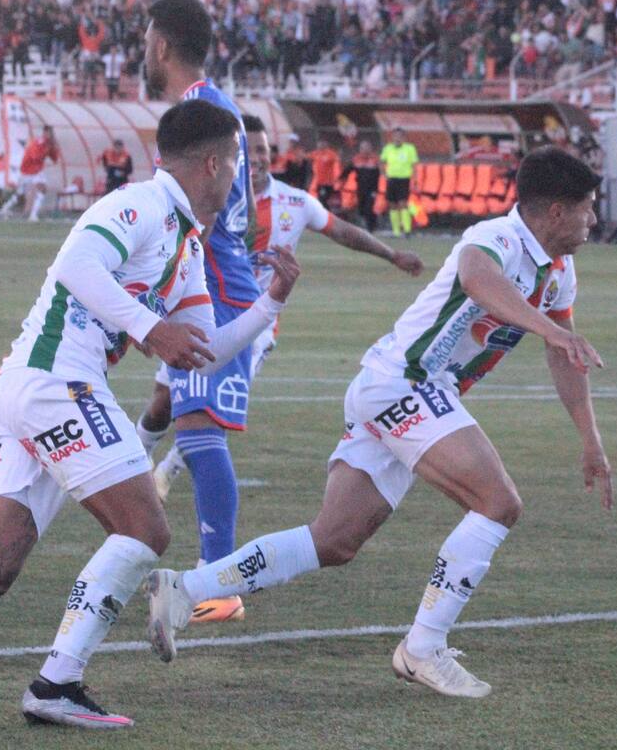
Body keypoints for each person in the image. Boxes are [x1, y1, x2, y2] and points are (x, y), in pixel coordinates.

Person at [145, 146, 612, 700]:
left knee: (334, 539)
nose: (593, 220)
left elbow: (565, 357)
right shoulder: (498, 240)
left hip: (394, 388)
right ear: (556, 211)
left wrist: (590, 440)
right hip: (405, 383)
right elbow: (477, 276)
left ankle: (183, 590)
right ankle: (422, 647)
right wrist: (550, 330)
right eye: (587, 208)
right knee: (498, 502)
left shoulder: (560, 272)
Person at [0, 98, 300, 728]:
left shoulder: (188, 246)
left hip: (26, 388)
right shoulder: (140, 204)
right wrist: (149, 328)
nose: (240, 181)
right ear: (211, 164)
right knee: (146, 527)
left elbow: (201, 349)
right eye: (237, 165)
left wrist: (268, 307)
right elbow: (75, 265)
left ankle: (56, 686)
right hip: (56, 381)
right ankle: (57, 684)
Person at [150, 115, 424, 496]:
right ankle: (137, 457)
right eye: (250, 150)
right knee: (162, 402)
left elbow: (342, 231)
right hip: (201, 314)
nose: (257, 157)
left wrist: (392, 254)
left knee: (210, 414)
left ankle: (164, 475)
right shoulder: (212, 201)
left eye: (263, 149)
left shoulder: (294, 201)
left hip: (255, 328)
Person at [131, 0, 264, 624]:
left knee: (201, 433)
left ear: (161, 45)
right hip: (216, 278)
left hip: (211, 284)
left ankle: (219, 588)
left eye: (145, 40)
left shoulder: (197, 113)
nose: (143, 51)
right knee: (187, 422)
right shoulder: (217, 107)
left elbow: (197, 215)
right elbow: (250, 209)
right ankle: (212, 582)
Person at [1, 126, 59, 222]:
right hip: (27, 170)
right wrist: (47, 149)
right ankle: (5, 208)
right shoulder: (39, 142)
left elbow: (55, 159)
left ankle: (33, 215)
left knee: (42, 189)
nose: (50, 135)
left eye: (51, 133)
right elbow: (34, 156)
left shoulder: (48, 144)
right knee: (20, 193)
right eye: (48, 133)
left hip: (37, 171)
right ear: (44, 133)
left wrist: (54, 147)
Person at [381, 127, 419, 237]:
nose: (397, 138)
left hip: (404, 179)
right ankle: (396, 231)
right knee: (392, 204)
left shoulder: (410, 148)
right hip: (392, 179)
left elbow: (414, 165)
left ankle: (407, 230)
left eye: (399, 136)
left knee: (403, 203)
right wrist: (384, 174)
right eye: (395, 136)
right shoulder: (388, 148)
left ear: (404, 137)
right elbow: (382, 161)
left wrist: (415, 179)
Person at [339, 139, 381, 231]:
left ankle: (371, 227)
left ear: (370, 149)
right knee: (361, 208)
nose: (365, 150)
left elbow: (382, 172)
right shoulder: (356, 159)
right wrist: (340, 178)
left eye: (367, 147)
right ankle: (368, 224)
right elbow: (348, 170)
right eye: (363, 148)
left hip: (372, 189)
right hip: (361, 188)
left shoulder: (375, 159)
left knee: (369, 207)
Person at [309, 137, 341, 209]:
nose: (319, 146)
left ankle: (327, 214)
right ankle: (325, 214)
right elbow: (307, 156)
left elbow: (337, 163)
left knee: (323, 199)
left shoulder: (331, 154)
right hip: (319, 182)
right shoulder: (316, 153)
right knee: (321, 199)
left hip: (328, 183)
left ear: (325, 145)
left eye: (321, 144)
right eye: (318, 145)